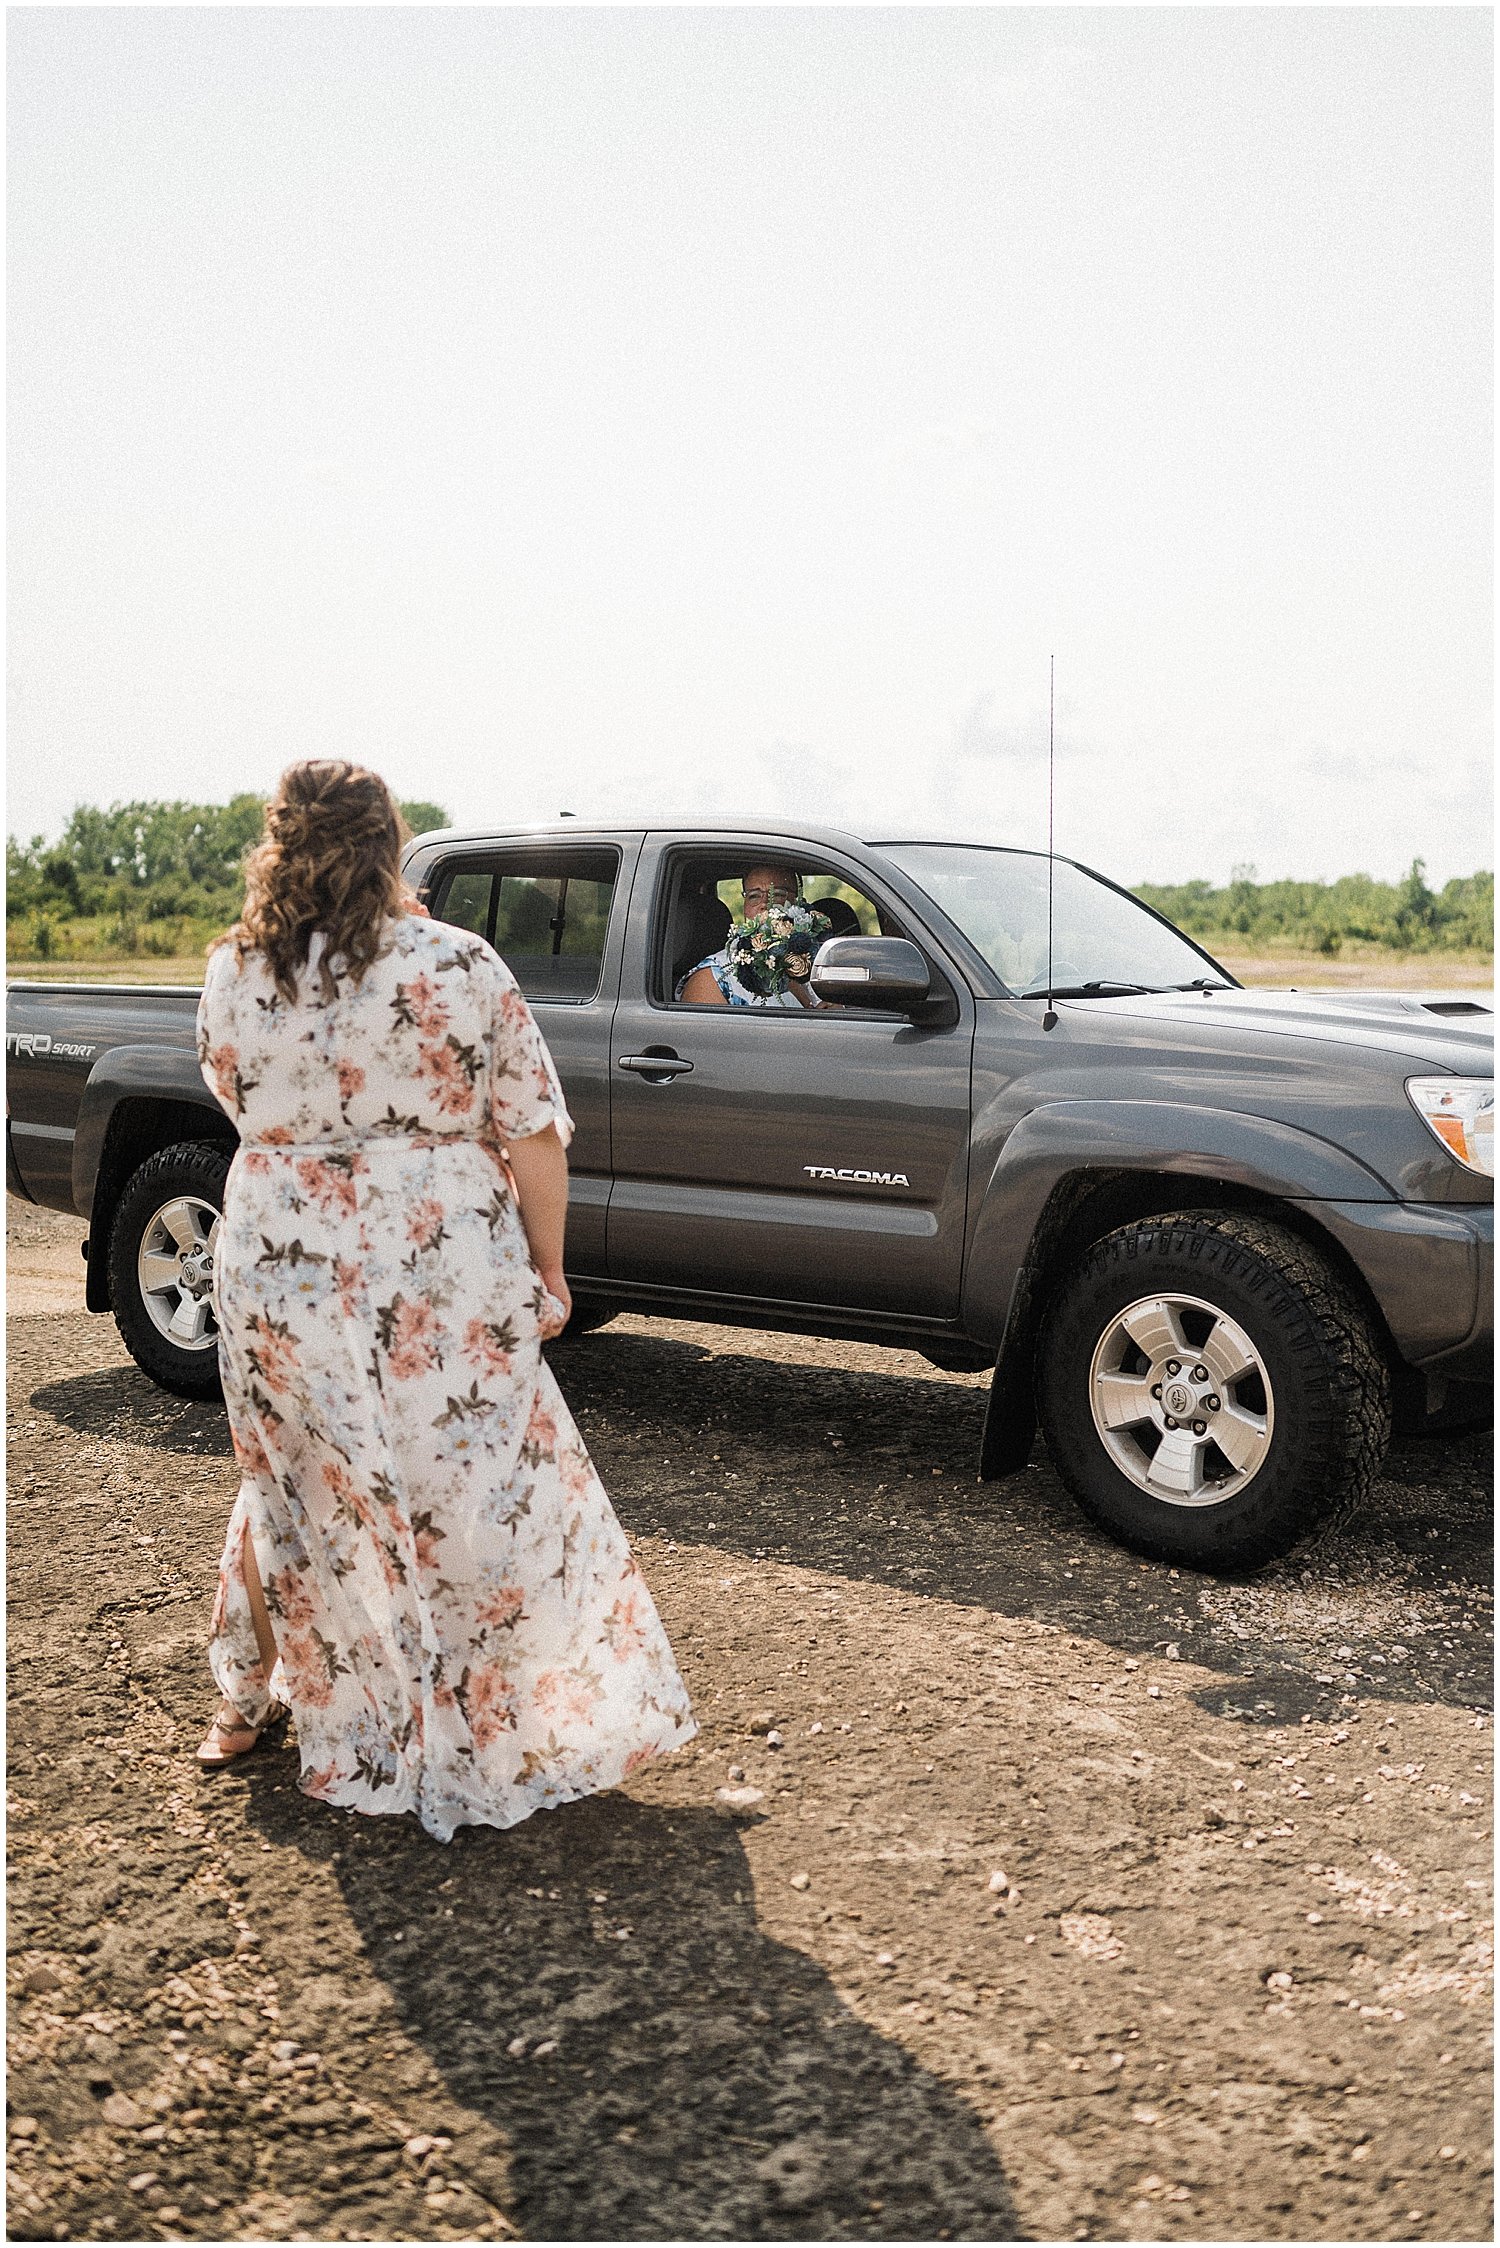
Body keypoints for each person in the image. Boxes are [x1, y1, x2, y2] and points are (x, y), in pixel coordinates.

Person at [192, 760, 696, 1840]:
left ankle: (245, 1698)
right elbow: (530, 1130)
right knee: (466, 1492)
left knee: (297, 1479)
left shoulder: (234, 970)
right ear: (389, 842)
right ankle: (473, 1720)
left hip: (283, 1261)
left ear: (278, 846)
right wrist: (550, 1268)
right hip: (437, 1263)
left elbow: (235, 1099)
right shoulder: (458, 964)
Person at [677, 864, 828, 1008]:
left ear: (799, 903)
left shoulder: (822, 959)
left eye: (777, 894)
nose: (764, 904)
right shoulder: (715, 977)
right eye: (754, 896)